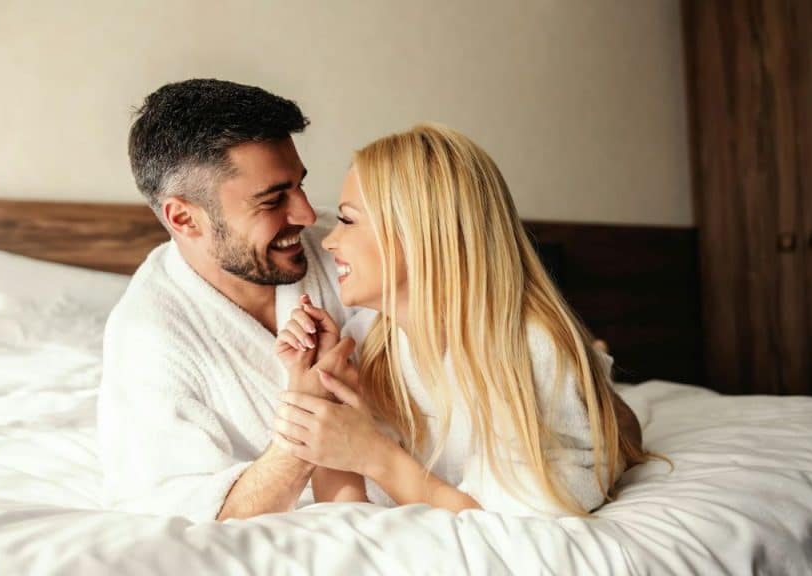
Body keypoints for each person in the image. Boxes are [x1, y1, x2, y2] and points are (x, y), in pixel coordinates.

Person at [271, 123, 648, 516]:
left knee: (613, 420)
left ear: (417, 233)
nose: (329, 241)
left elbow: (521, 518)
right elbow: (343, 511)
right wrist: (319, 385)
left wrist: (377, 457)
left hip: (556, 376)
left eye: (347, 220)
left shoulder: (527, 352)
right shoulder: (367, 341)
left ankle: (594, 365)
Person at [97, 79, 361, 522]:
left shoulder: (347, 250)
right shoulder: (148, 335)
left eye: (299, 186)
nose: (307, 215)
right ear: (184, 218)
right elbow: (183, 516)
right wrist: (309, 418)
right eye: (274, 199)